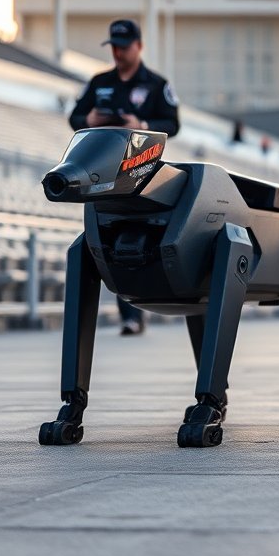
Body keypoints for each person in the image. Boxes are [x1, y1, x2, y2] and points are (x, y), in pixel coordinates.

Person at [69, 18, 180, 335]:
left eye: (124, 47)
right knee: (108, 238)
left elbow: (172, 124)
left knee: (137, 238)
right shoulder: (99, 82)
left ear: (138, 46)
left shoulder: (156, 84)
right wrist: (90, 119)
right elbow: (75, 117)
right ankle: (125, 314)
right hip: (104, 171)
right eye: (114, 47)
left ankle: (138, 309)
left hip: (142, 170)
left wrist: (141, 125)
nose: (118, 53)